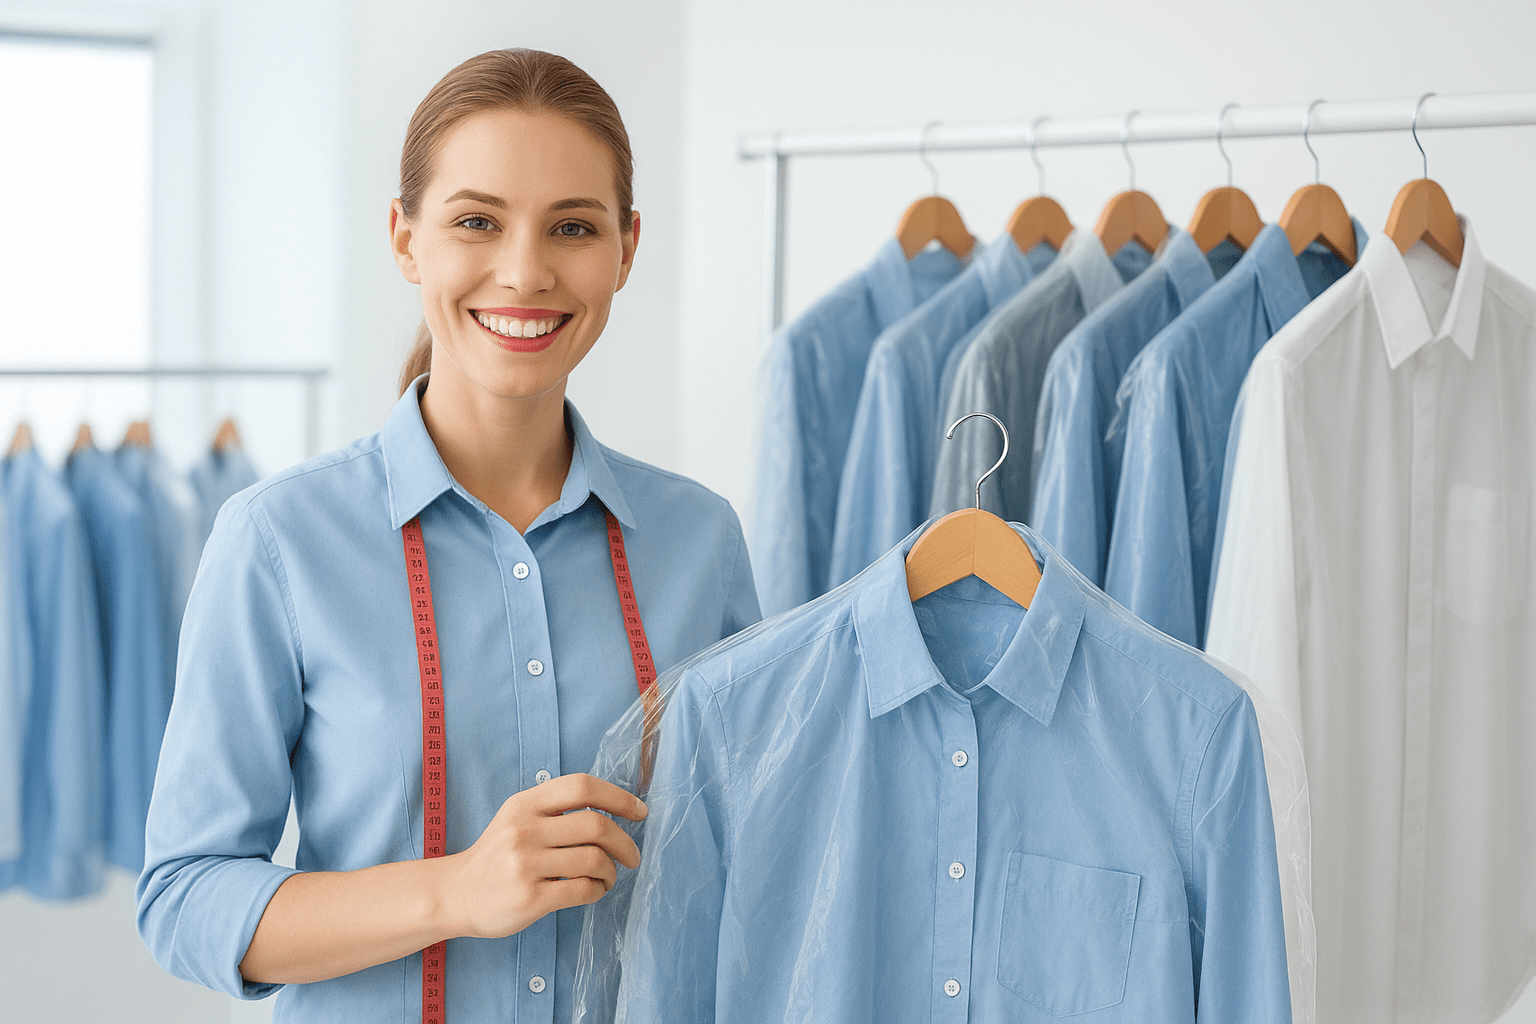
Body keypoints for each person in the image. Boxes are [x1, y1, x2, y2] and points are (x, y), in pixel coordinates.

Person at [136, 48, 760, 1022]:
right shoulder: (278, 541)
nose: (525, 271)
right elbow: (183, 899)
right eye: (477, 221)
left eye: (573, 227)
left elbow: (750, 853)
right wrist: (456, 891)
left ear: (626, 249)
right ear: (405, 238)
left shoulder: (699, 540)